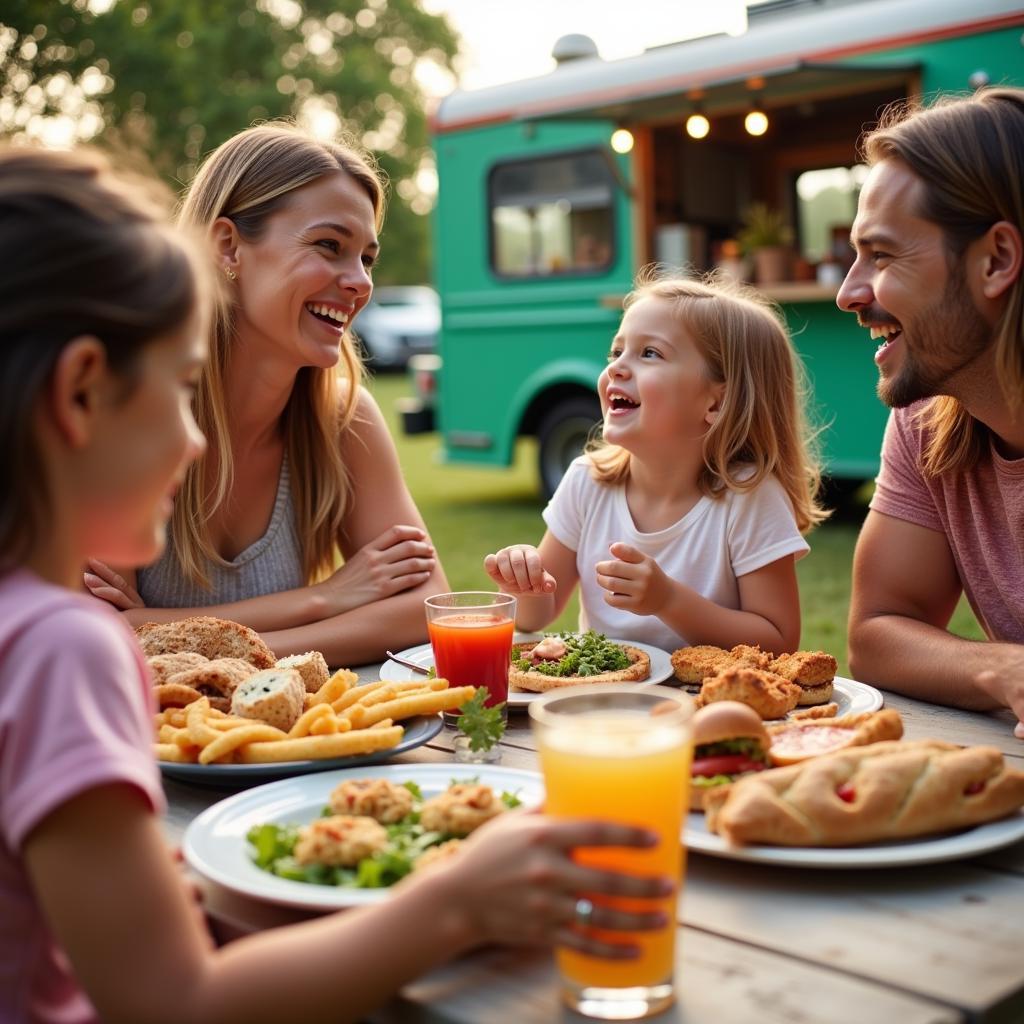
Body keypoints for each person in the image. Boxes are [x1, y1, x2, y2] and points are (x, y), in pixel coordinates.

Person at [0, 146, 675, 1024]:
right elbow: (173, 1003)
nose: (195, 437)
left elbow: (428, 606)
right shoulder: (61, 646)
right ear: (81, 390)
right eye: (174, 391)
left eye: (369, 256)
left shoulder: (31, 622)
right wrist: (456, 902)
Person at [83, 123, 445, 665]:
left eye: (366, 258)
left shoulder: (345, 420)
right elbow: (96, 642)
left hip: (300, 748)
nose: (361, 282)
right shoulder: (125, 418)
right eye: (330, 245)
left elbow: (429, 606)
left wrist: (182, 637)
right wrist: (324, 598)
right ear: (228, 245)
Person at [484, 270, 827, 654]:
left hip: (706, 704)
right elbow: (534, 618)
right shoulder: (587, 482)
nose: (617, 367)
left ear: (715, 403)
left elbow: (779, 641)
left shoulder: (750, 497)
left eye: (650, 353)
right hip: (607, 706)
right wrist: (523, 584)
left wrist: (668, 600)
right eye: (617, 351)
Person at [837, 87, 1024, 738]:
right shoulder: (929, 421)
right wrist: (1006, 672)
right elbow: (877, 633)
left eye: (882, 255)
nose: (847, 293)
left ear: (996, 261)